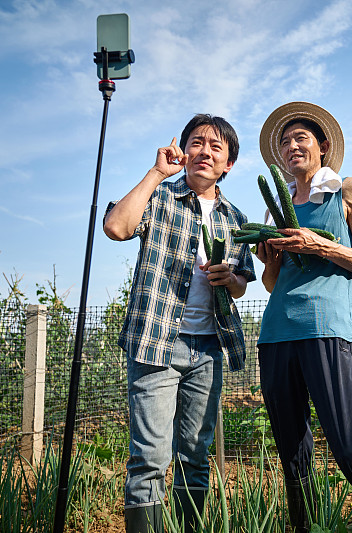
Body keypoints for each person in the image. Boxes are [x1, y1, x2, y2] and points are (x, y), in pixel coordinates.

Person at [255, 102, 352, 533]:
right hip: (275, 334)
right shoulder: (275, 210)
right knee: (292, 453)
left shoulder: (347, 190)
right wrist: (270, 258)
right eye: (284, 142)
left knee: (348, 447)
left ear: (322, 146)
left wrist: (319, 246)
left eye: (300, 138)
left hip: (325, 328)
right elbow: (272, 284)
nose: (291, 146)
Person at [103, 114, 255, 533]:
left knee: (194, 454)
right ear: (183, 151)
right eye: (197, 142)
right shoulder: (160, 197)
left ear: (228, 164)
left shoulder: (235, 219)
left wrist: (232, 279)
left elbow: (242, 282)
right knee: (150, 457)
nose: (205, 151)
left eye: (216, 147)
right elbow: (116, 227)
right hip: (157, 343)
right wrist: (156, 173)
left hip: (208, 349)